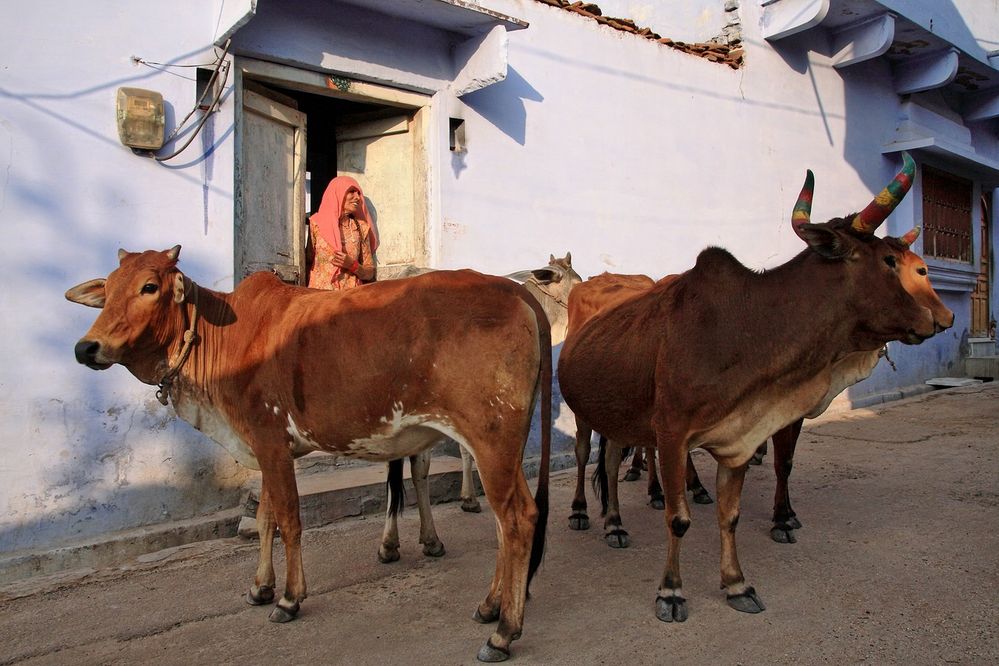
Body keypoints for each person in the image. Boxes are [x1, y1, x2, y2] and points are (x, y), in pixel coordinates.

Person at [306, 175, 378, 290]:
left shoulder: (361, 228)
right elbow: (308, 261)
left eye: (358, 193)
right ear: (337, 193)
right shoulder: (316, 224)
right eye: (352, 192)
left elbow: (370, 273)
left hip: (349, 300)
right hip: (321, 300)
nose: (357, 197)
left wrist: (353, 265)